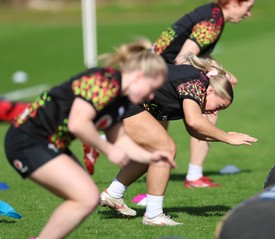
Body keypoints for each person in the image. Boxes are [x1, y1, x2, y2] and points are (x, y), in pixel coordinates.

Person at [3, 39, 176, 239]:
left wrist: (152, 157)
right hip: (28, 139)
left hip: (49, 143)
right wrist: (108, 149)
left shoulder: (120, 100)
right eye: (151, 88)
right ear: (139, 77)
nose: (151, 95)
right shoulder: (105, 81)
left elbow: (120, 140)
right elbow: (78, 124)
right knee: (85, 198)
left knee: (87, 198)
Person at [99, 54, 257, 226]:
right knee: (165, 149)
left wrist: (223, 138)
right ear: (211, 91)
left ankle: (114, 194)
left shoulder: (197, 87)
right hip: (120, 99)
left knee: (152, 152)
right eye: (219, 106)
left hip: (119, 99)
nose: (214, 113)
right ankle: (153, 215)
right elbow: (194, 121)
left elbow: (194, 131)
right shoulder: (197, 81)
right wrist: (227, 137)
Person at [150, 0, 255, 188]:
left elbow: (198, 53)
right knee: (209, 108)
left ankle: (102, 136)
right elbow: (183, 58)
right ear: (232, 3)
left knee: (150, 134)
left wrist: (219, 69)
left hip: (157, 71)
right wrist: (208, 76)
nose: (249, 14)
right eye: (248, 8)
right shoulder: (212, 22)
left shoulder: (212, 13)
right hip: (158, 77)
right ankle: (194, 175)